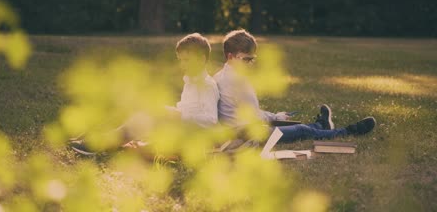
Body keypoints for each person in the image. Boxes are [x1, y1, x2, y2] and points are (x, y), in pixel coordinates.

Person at [213, 29, 376, 143]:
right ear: (230, 56)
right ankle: (348, 131)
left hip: (238, 130)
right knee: (301, 131)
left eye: (252, 59)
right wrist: (275, 117)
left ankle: (321, 126)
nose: (250, 64)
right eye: (246, 60)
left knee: (298, 127)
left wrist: (275, 116)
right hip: (246, 136)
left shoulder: (220, 76)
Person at [70, 33, 220, 155]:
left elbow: (211, 121)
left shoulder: (207, 85)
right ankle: (91, 138)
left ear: (201, 59)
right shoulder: (190, 83)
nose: (182, 65)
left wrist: (178, 115)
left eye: (186, 60)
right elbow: (187, 109)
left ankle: (96, 144)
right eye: (180, 60)